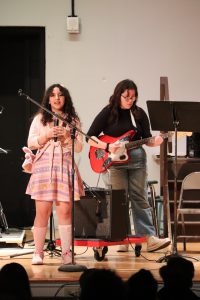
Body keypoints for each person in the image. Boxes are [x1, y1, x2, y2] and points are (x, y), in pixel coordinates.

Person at [86, 79, 170, 252]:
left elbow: (148, 139)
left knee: (140, 197)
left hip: (137, 160)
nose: (130, 100)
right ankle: (120, 236)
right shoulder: (108, 112)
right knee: (117, 200)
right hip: (115, 162)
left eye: (133, 97)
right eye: (127, 96)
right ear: (118, 95)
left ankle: (148, 238)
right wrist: (107, 146)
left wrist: (158, 140)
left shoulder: (139, 113)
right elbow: (90, 137)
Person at [24, 83, 84, 265]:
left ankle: (67, 252)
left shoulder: (72, 119)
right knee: (42, 211)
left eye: (60, 95)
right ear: (48, 99)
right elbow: (31, 141)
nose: (57, 98)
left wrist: (67, 135)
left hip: (64, 166)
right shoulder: (40, 118)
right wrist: (47, 135)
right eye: (53, 95)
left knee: (65, 211)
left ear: (65, 98)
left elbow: (80, 147)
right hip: (44, 168)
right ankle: (38, 252)